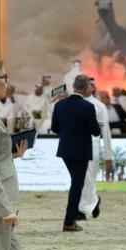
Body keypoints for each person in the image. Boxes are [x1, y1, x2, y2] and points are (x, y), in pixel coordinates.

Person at [0, 57, 60, 250]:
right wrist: (4, 209)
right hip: (1, 203)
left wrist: (12, 155)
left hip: (3, 199)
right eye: (3, 77)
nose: (7, 82)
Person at [51, 75, 101, 231]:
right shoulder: (87, 107)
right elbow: (95, 131)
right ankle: (69, 221)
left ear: (73, 86)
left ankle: (73, 216)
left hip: (65, 149)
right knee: (76, 186)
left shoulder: (59, 105)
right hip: (81, 151)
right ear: (86, 88)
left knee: (76, 184)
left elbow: (55, 128)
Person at [77, 83, 113, 220]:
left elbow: (106, 132)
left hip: (93, 146)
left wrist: (109, 155)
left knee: (88, 178)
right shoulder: (75, 103)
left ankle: (84, 209)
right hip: (76, 146)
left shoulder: (99, 106)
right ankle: (92, 202)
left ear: (91, 89)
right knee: (80, 179)